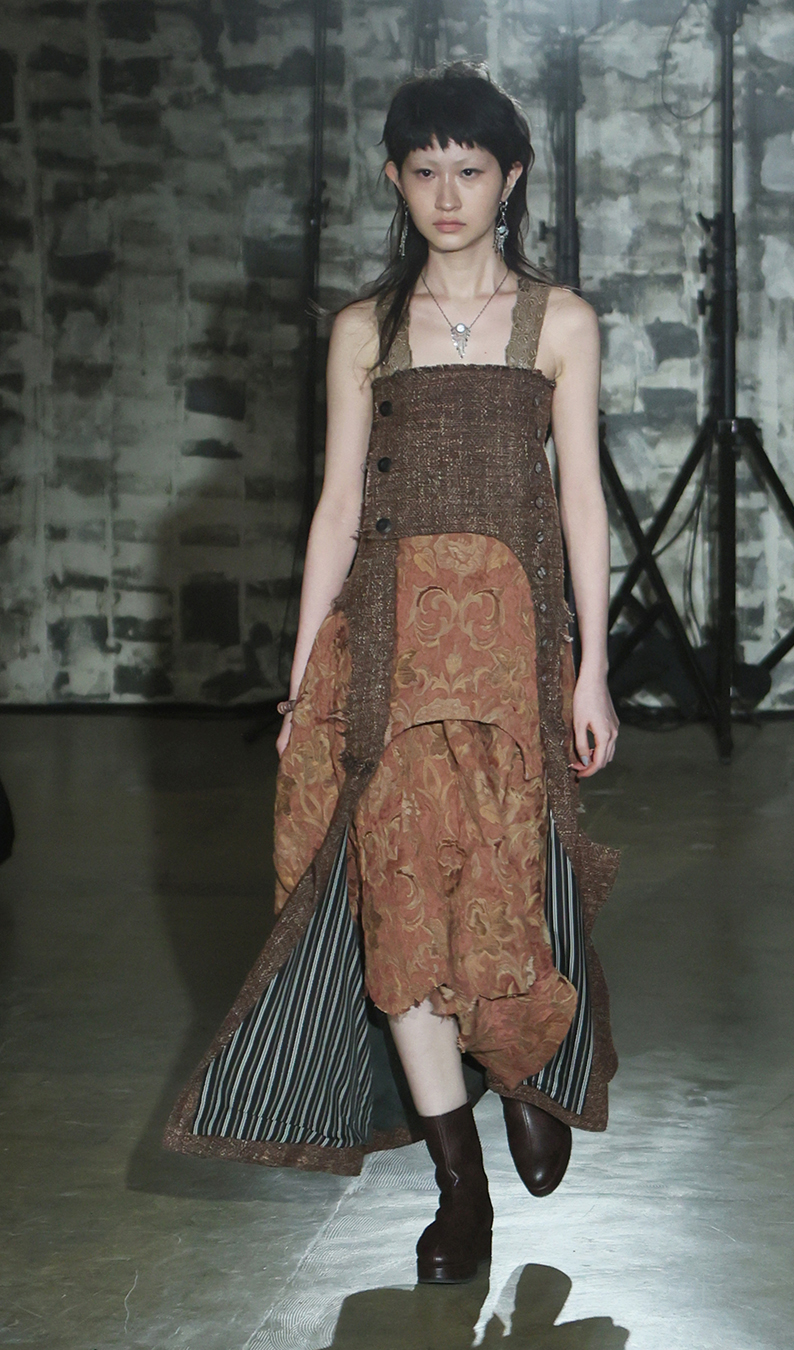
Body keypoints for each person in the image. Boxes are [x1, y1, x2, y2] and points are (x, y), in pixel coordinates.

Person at [165, 62, 619, 1286]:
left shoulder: (560, 323)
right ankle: (457, 1184)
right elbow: (334, 509)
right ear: (395, 180)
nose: (448, 195)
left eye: (471, 170)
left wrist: (594, 669)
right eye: (425, 172)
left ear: (510, 178)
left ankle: (519, 1061)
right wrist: (301, 677)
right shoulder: (363, 330)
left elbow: (581, 505)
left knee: (502, 881)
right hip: (384, 658)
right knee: (397, 903)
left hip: (508, 659)